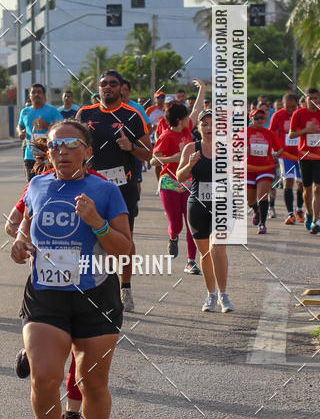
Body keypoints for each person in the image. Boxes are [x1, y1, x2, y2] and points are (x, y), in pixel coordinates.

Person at [11, 119, 131, 419]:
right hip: (45, 293)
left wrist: (96, 223)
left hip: (95, 295)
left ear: (88, 151)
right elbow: (23, 227)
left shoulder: (105, 190)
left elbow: (125, 250)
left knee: (91, 382)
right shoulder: (37, 185)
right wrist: (18, 243)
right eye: (53, 145)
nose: (60, 151)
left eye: (70, 144)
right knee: (44, 376)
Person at [77, 70, 152, 312]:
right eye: (103, 84)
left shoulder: (132, 116)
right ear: (98, 88)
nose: (107, 87)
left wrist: (130, 147)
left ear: (122, 88)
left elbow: (148, 153)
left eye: (113, 84)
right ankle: (94, 287)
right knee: (90, 237)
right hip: (91, 186)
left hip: (122, 188)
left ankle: (126, 287)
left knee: (123, 238)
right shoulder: (85, 114)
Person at [176, 110, 233, 312]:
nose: (209, 128)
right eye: (204, 124)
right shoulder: (191, 148)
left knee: (218, 249)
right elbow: (179, 178)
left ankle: (224, 296)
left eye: (213, 124)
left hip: (221, 205)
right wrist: (190, 163)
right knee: (205, 254)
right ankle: (211, 294)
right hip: (197, 205)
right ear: (198, 127)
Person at [152, 103, 200, 274]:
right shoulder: (166, 136)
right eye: (186, 117)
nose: (190, 119)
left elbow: (196, 110)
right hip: (169, 182)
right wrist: (172, 158)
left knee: (191, 222)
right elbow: (153, 161)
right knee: (176, 224)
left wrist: (202, 88)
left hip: (187, 181)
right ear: (180, 120)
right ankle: (173, 237)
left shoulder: (187, 131)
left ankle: (191, 262)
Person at [269, 93, 304, 224]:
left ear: (297, 105)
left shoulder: (301, 113)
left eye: (293, 107)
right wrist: (276, 148)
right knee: (288, 182)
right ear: (283, 105)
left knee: (301, 184)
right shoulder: (278, 115)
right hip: (286, 154)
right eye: (287, 107)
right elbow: (271, 133)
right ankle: (290, 214)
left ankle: (299, 209)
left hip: (302, 154)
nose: (290, 110)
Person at [289, 87, 320, 232]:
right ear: (305, 99)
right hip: (305, 156)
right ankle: (308, 213)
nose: (314, 101)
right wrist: (305, 131)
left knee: (317, 188)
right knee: (307, 190)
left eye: (316, 98)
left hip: (319, 156)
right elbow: (291, 135)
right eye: (310, 98)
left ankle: (315, 220)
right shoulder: (299, 113)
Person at [17, 84, 62, 181]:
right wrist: (20, 132)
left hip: (48, 156)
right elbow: (20, 126)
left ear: (44, 95)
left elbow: (61, 128)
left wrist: (47, 126)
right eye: (33, 92)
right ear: (30, 96)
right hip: (30, 155)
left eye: (39, 92)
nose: (36, 94)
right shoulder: (25, 112)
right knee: (32, 185)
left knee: (49, 184)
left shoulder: (52, 111)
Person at [247, 109, 280, 234]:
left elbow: (279, 148)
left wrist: (276, 153)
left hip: (266, 168)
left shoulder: (269, 133)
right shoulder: (244, 132)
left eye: (262, 118)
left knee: (262, 196)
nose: (260, 120)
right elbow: (235, 147)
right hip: (249, 168)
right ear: (251, 119)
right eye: (256, 118)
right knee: (250, 201)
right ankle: (257, 211)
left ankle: (262, 224)